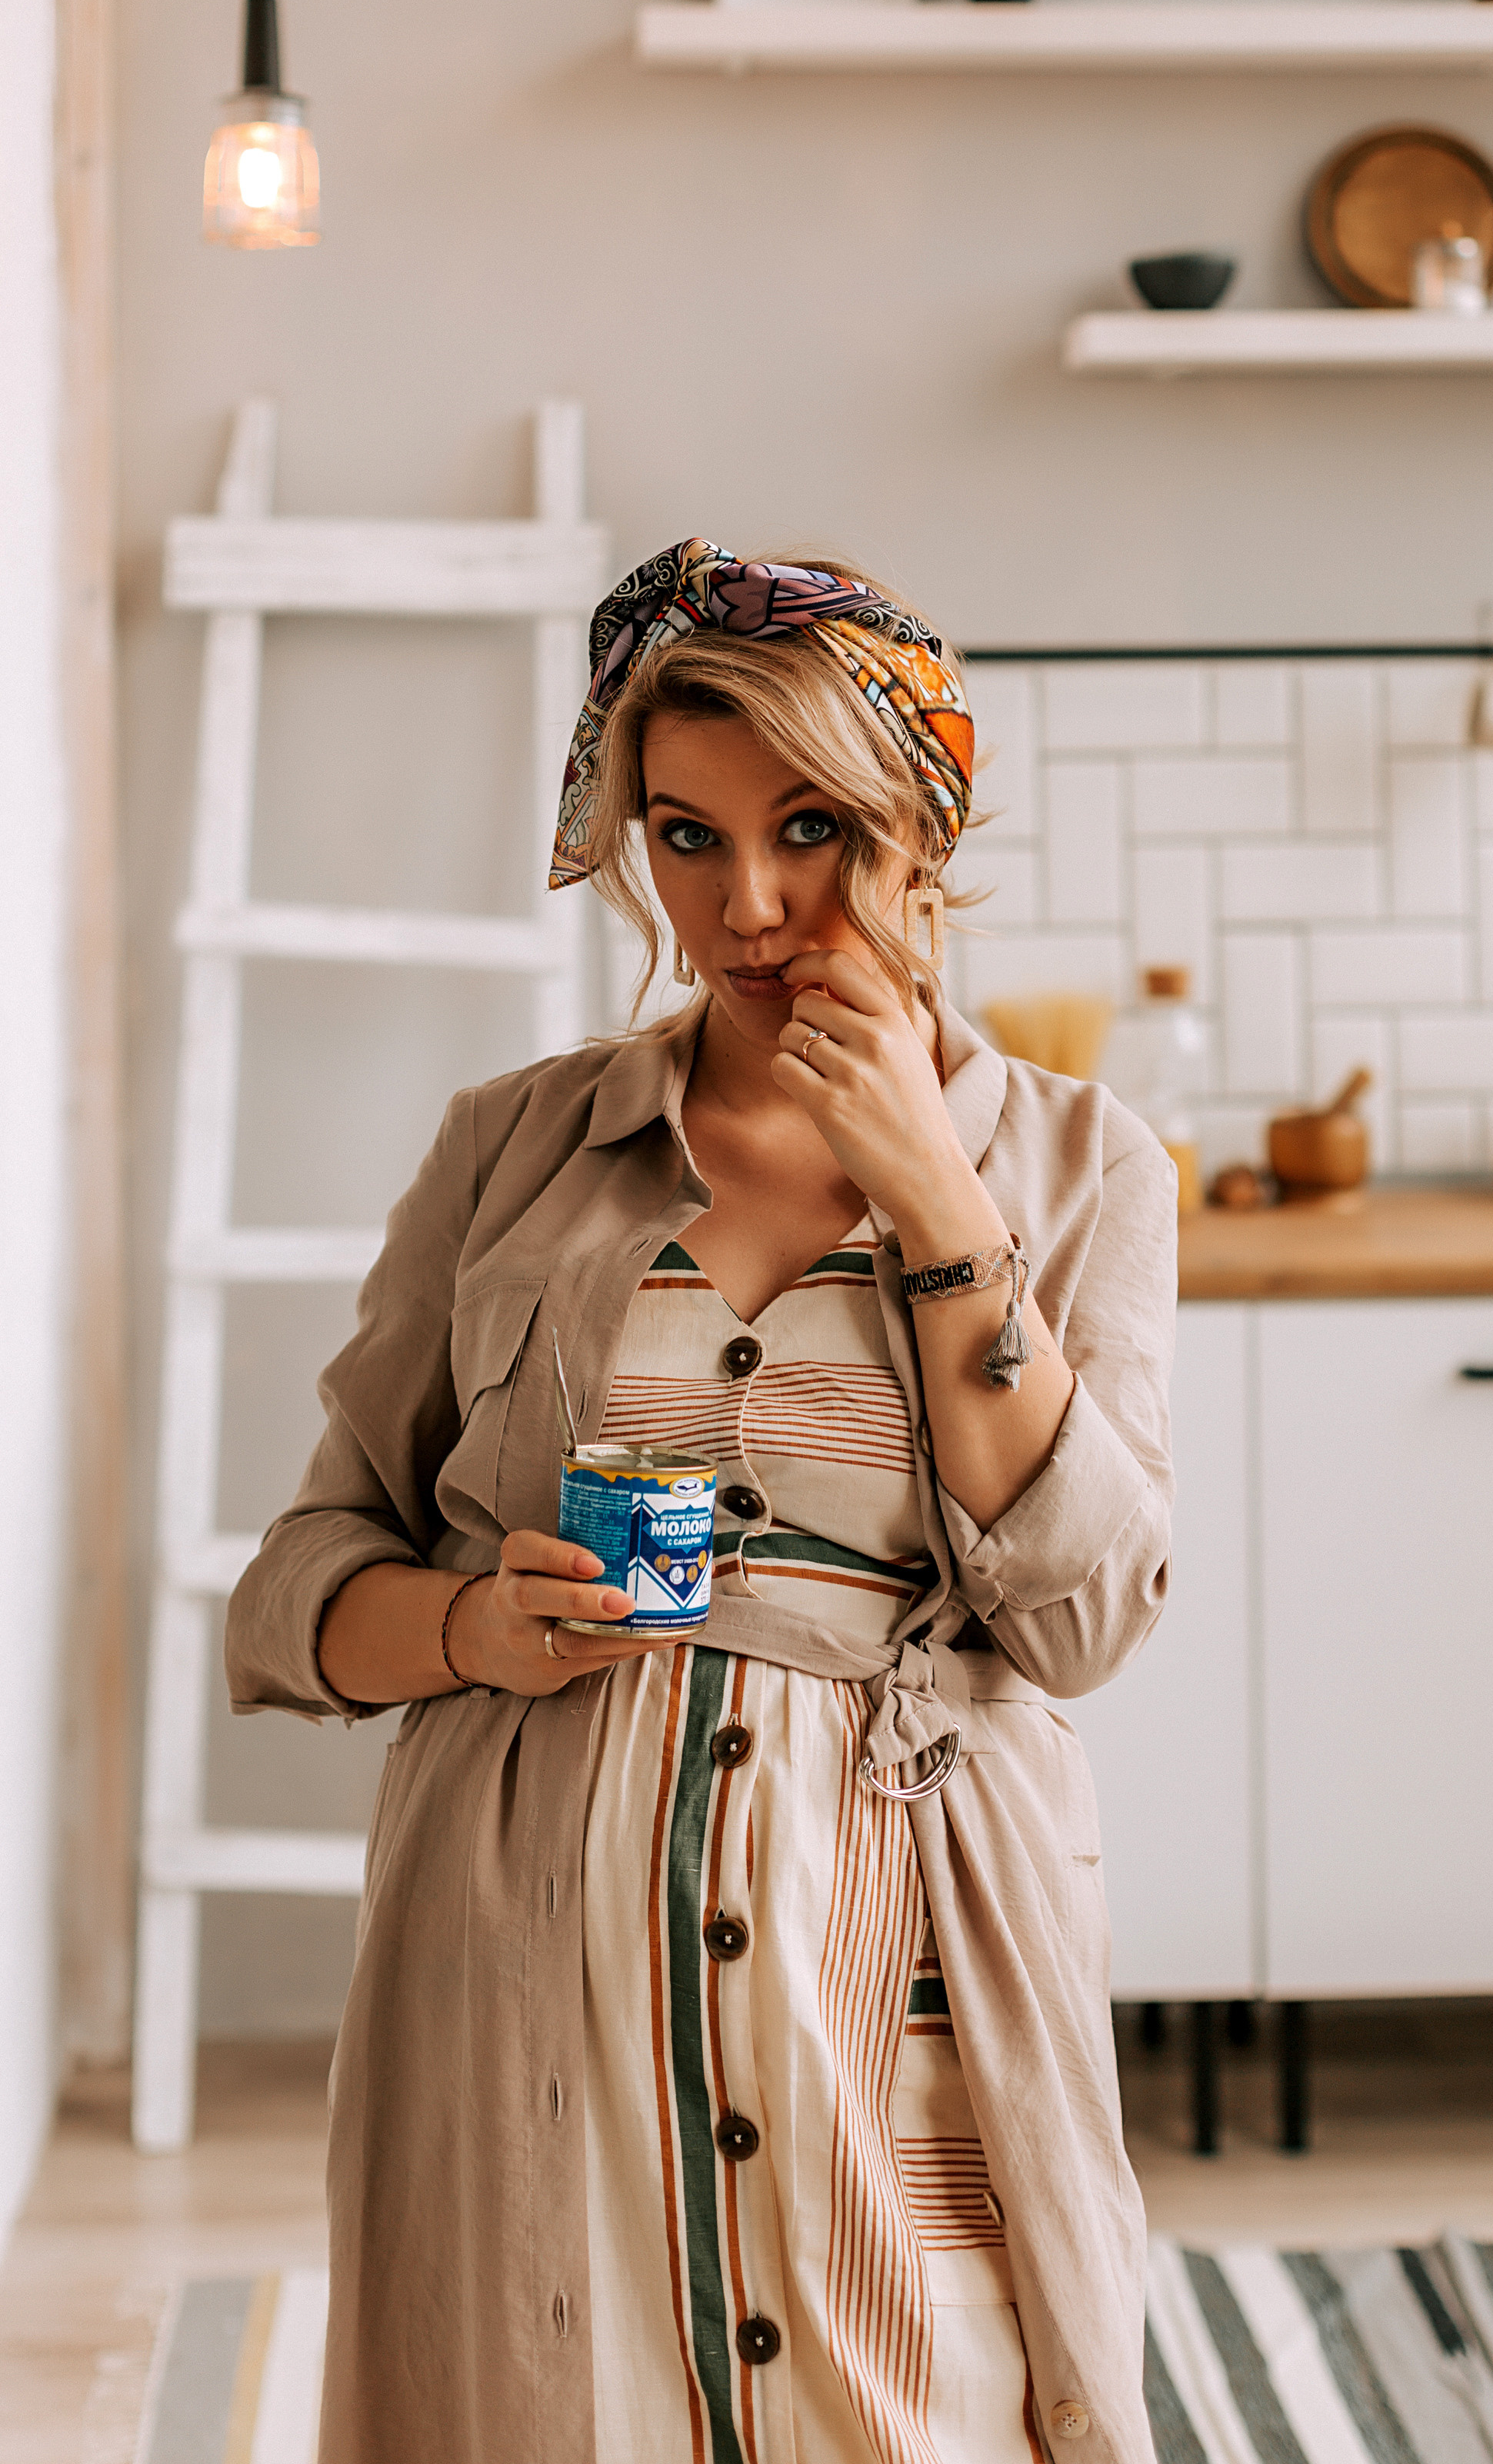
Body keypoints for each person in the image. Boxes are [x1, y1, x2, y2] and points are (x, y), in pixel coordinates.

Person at [225, 538, 1177, 2464]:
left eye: (812, 827)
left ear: (921, 816)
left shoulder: (1082, 1168)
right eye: (685, 836)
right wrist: (475, 1623)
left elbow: (1082, 1620)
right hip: (525, 1968)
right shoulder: (512, 1150)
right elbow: (296, 1591)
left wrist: (938, 1203)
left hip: (902, 1966)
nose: (745, 906)